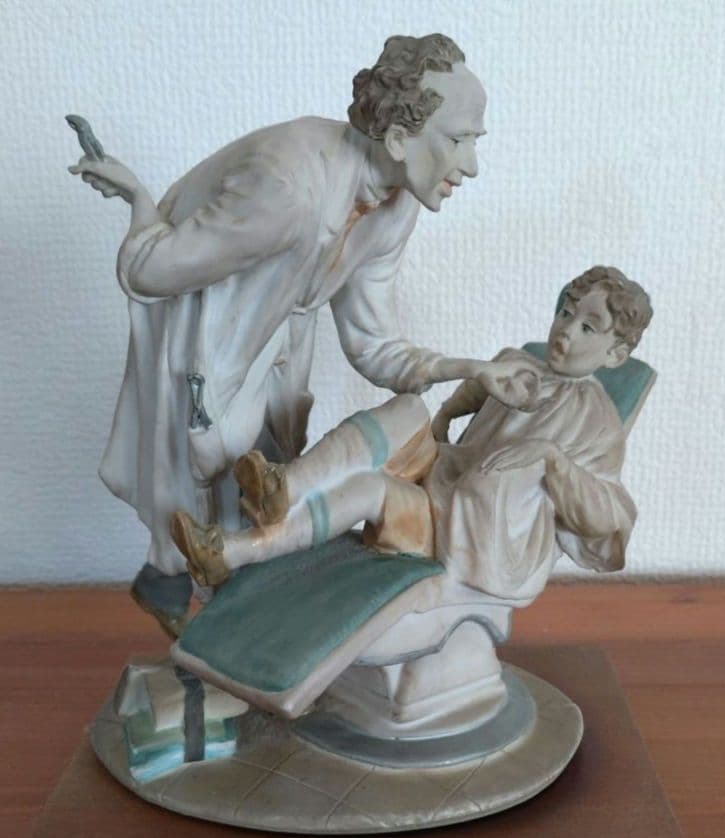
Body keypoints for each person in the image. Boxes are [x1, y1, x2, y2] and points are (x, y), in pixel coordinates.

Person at [69, 34, 494, 636]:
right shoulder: (287, 190)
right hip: (209, 329)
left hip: (276, 340)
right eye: (458, 140)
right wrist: (139, 200)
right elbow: (150, 271)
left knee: (267, 469)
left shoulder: (395, 203)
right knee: (204, 463)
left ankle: (221, 606)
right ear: (400, 138)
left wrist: (468, 370)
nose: (471, 164)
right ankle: (183, 600)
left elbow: (372, 342)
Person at [171, 266, 652, 605]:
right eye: (565, 313)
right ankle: (283, 487)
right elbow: (473, 392)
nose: (566, 331)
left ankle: (228, 552)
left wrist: (551, 459)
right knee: (408, 407)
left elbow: (609, 518)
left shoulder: (597, 422)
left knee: (368, 490)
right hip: (443, 473)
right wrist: (446, 414)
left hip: (466, 531)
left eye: (589, 327)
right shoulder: (518, 362)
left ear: (615, 354)